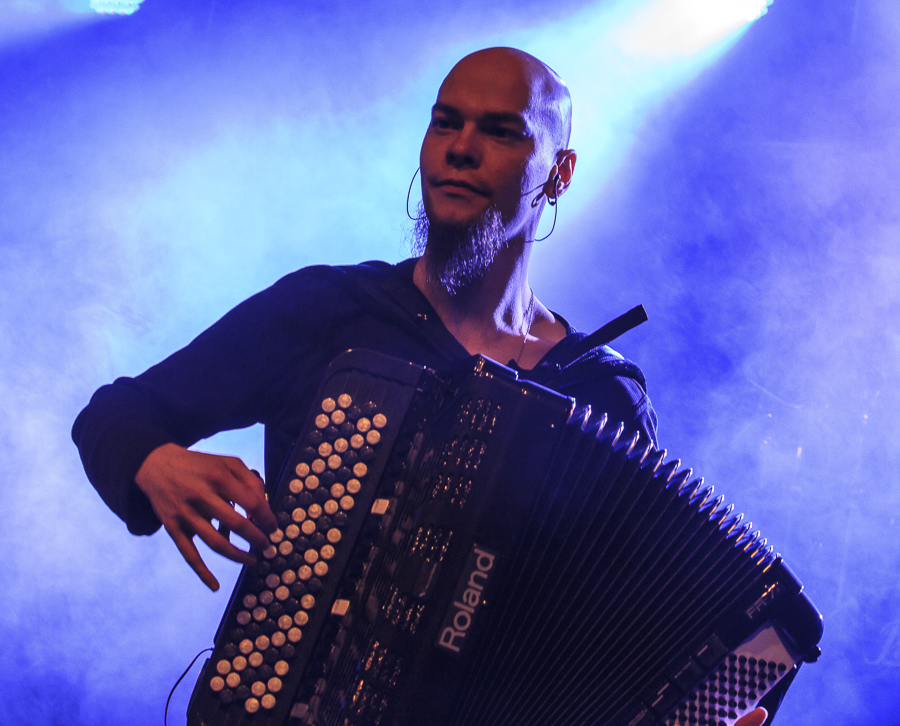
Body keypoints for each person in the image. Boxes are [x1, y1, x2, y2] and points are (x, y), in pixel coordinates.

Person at [72, 47, 768, 726]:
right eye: (445, 123)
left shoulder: (602, 396)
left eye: (501, 132)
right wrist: (153, 461)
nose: (460, 148)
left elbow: (629, 643)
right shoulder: (330, 310)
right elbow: (116, 414)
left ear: (558, 174)